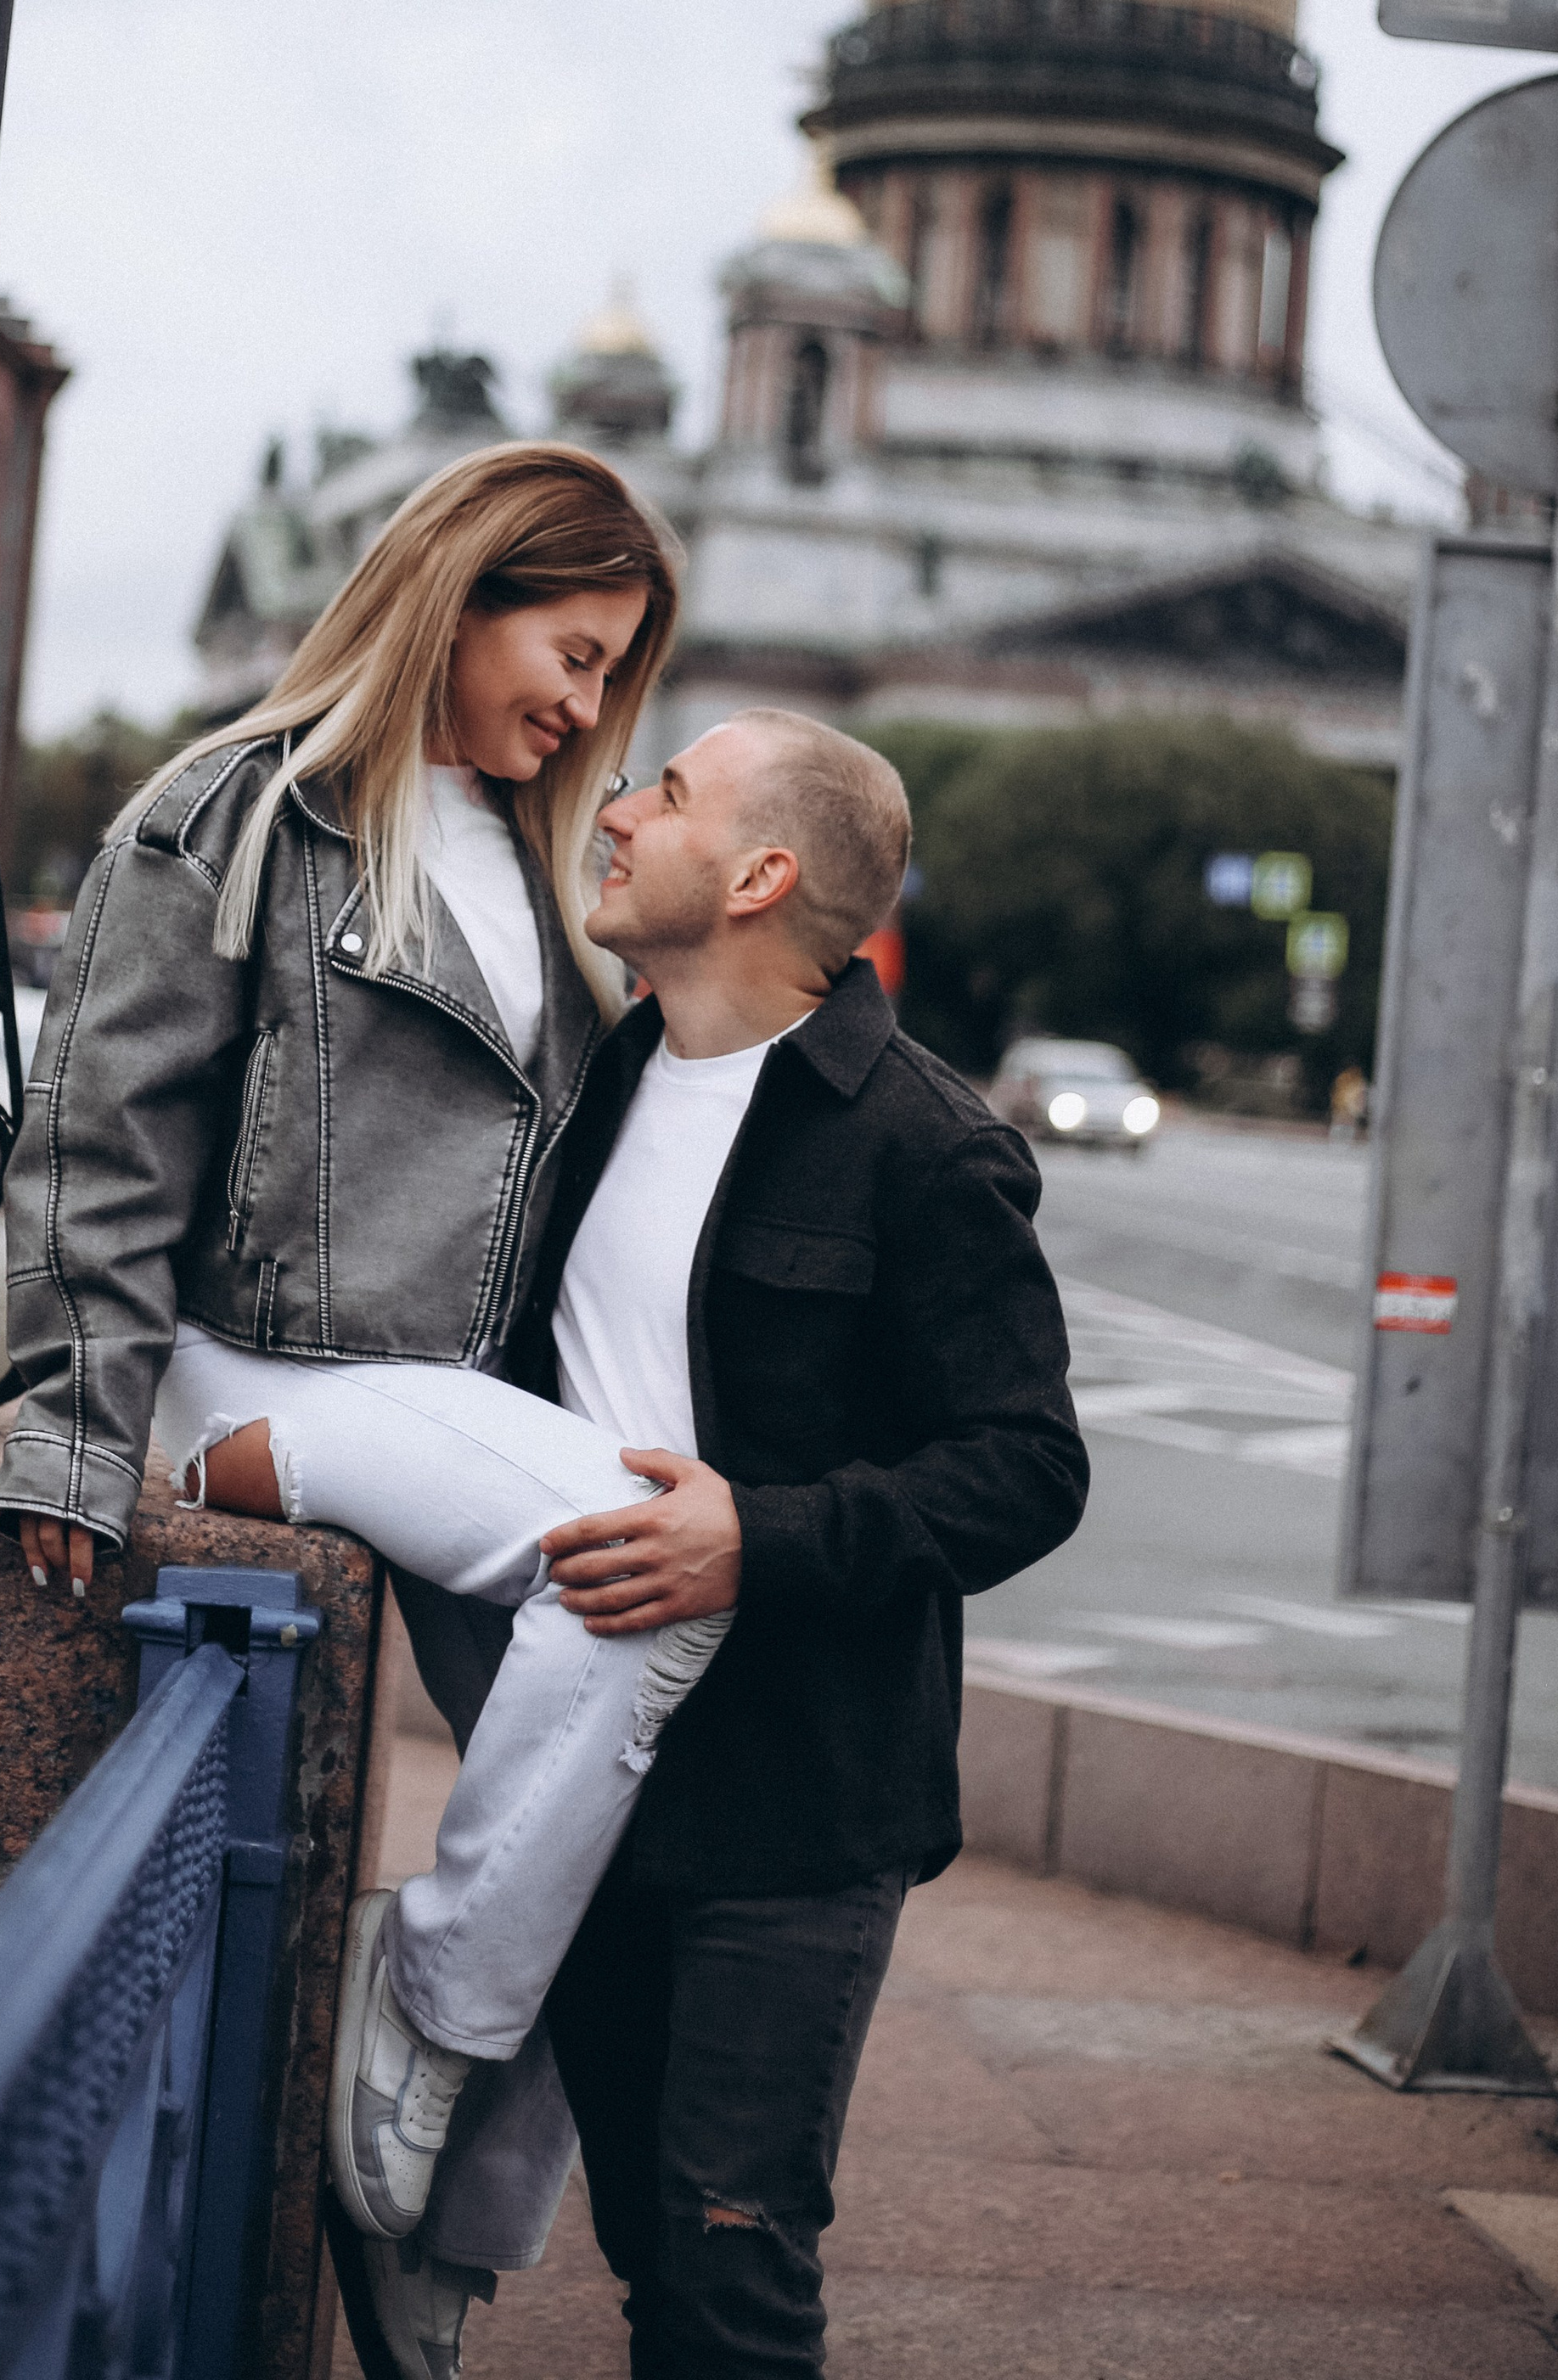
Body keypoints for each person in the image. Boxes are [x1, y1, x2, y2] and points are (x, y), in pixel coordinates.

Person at [0, 442, 723, 2380]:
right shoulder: (238, 814)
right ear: (457, 593)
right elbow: (99, 1148)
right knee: (651, 1575)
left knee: (638, 1812)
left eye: (610, 680)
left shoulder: (548, 851)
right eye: (568, 654)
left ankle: (431, 2251)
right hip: (274, 1363)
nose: (583, 709)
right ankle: (413, 2006)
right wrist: (76, 1425)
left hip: (446, 1395)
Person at [496, 710, 1087, 2377]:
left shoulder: (923, 1143)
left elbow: (1025, 1470)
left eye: (663, 793)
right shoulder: (615, 1073)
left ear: (758, 876)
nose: (612, 813)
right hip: (584, 1769)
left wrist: (755, 1539)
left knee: (730, 2271)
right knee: (641, 2257)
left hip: (796, 1807)